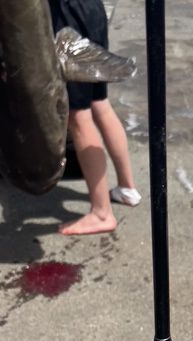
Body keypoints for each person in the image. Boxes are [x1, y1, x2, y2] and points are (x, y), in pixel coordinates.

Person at [48, 0, 141, 235]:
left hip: (70, 17)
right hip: (91, 11)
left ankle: (101, 213)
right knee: (99, 104)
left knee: (78, 115)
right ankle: (126, 187)